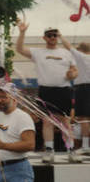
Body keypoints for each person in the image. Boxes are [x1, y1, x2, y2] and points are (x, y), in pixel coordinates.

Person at [16, 23, 79, 163]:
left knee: (65, 122)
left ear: (58, 36)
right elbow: (19, 49)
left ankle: (71, 150)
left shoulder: (66, 53)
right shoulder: (38, 53)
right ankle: (49, 150)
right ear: (44, 38)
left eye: (55, 35)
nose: (52, 37)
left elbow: (75, 70)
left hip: (64, 90)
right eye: (49, 35)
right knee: (47, 122)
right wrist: (22, 32)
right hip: (46, 91)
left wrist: (72, 74)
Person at [59, 34, 90, 154]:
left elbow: (68, 46)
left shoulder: (81, 57)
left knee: (83, 118)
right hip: (85, 87)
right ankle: (86, 146)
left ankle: (86, 146)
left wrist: (60, 36)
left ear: (80, 50)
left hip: (84, 88)